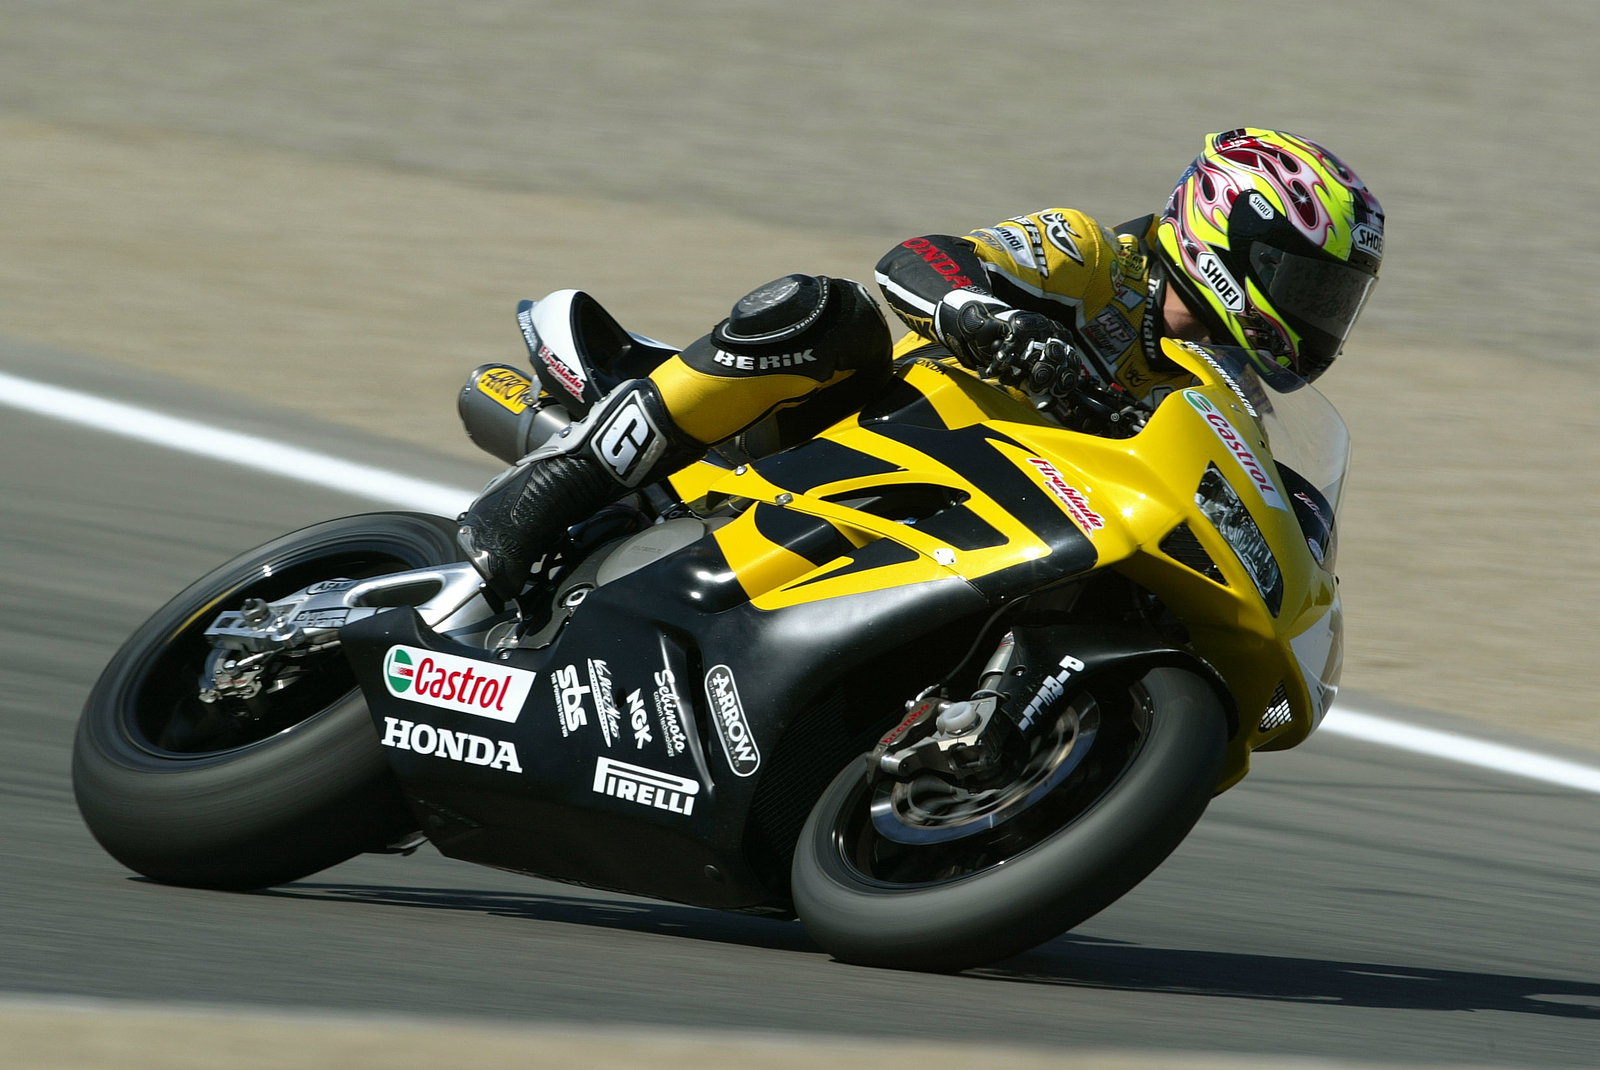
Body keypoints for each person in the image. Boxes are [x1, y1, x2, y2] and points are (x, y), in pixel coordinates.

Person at [458, 127, 1384, 598]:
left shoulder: (1214, 393)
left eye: (1332, 300)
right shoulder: (1095, 255)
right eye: (1300, 283)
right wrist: (984, 314)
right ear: (1226, 232)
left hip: (966, 524)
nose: (1312, 316)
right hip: (845, 435)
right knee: (828, 312)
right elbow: (919, 260)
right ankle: (568, 478)